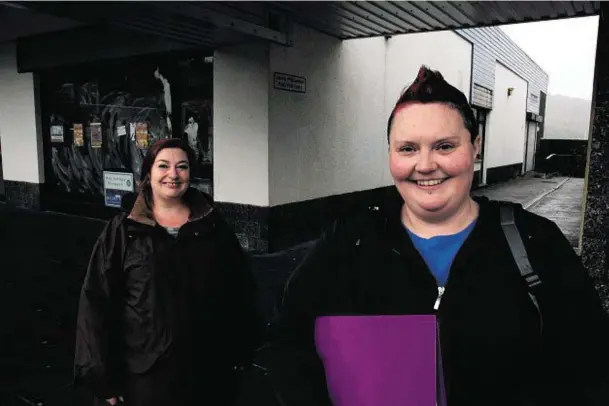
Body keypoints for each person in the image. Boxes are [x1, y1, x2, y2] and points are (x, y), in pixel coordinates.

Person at [265, 66, 609, 406]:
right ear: (390, 154)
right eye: (407, 149)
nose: (425, 165)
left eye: (444, 146)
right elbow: (288, 340)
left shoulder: (535, 242)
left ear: (476, 147)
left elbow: (590, 364)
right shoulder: (347, 243)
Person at [74, 138, 262, 406]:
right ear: (148, 173)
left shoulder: (213, 227)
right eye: (163, 166)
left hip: (208, 373)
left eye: (182, 167)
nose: (173, 174)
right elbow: (96, 302)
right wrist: (101, 377)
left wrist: (241, 352)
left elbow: (240, 291)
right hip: (144, 375)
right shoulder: (123, 231)